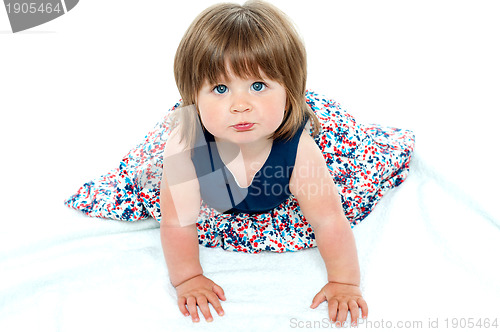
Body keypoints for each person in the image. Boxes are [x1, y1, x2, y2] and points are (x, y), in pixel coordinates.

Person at [64, 0, 414, 326]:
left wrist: (344, 282)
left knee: (342, 180)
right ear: (193, 96)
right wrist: (188, 278)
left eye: (258, 85)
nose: (240, 105)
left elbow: (327, 219)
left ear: (290, 91)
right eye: (220, 89)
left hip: (288, 151)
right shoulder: (187, 146)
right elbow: (178, 223)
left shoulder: (299, 150)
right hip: (214, 171)